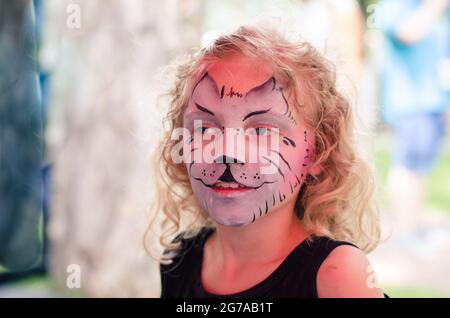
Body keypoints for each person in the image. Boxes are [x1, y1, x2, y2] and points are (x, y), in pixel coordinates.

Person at [147, 25, 385, 298]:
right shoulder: (180, 259)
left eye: (262, 131)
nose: (228, 152)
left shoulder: (337, 274)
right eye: (205, 128)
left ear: (318, 152)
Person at [379, 0, 450, 246]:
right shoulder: (399, 4)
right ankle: (406, 233)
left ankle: (415, 226)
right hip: (411, 102)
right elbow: (404, 33)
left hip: (435, 100)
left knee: (422, 166)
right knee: (407, 166)